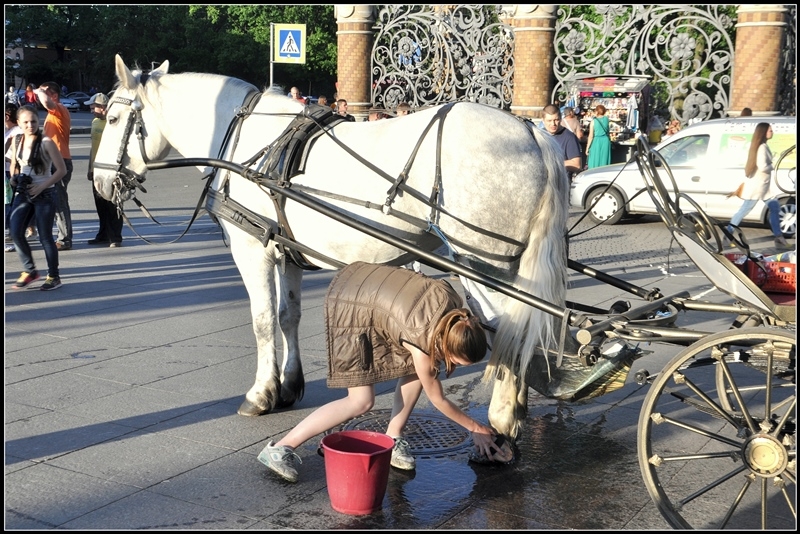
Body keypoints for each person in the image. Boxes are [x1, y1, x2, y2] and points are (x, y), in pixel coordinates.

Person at [257, 261, 501, 483]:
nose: (454, 368)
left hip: (372, 283)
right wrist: (476, 428)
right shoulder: (424, 346)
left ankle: (393, 438)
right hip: (352, 302)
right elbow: (437, 398)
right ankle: (280, 448)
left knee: (416, 371)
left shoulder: (457, 316)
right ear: (447, 344)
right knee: (360, 401)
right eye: (455, 362)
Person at [8, 104, 66, 290]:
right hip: (24, 193)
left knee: (45, 237)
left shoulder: (46, 142)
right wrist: (14, 179)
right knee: (16, 232)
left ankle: (54, 276)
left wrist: (42, 185)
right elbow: (14, 164)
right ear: (18, 123)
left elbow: (61, 170)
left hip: (45, 194)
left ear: (38, 121)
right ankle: (30, 270)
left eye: (33, 121)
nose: (30, 125)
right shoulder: (16, 140)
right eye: (25, 122)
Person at [726, 122, 792, 250]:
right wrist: (772, 165)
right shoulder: (761, 147)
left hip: (763, 187)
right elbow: (763, 166)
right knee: (743, 211)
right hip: (757, 188)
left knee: (775, 208)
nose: (772, 132)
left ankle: (779, 238)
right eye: (770, 130)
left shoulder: (761, 146)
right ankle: (727, 236)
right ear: (763, 132)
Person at [34, 82, 73, 250]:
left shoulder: (59, 109)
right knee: (53, 200)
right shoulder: (52, 115)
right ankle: (57, 235)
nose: (39, 96)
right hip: (53, 161)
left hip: (60, 162)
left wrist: (38, 91)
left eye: (45, 92)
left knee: (59, 201)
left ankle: (64, 239)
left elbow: (47, 102)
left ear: (54, 95)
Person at [86, 93, 123, 247]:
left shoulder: (113, 124)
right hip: (96, 170)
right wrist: (90, 168)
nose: (91, 110)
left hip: (110, 170)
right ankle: (103, 234)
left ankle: (115, 237)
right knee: (100, 205)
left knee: (113, 205)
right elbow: (92, 149)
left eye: (94, 107)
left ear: (103, 107)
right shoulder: (95, 122)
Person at [541, 104, 582, 177]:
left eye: (556, 120)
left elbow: (577, 164)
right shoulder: (540, 136)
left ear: (560, 118)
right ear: (543, 120)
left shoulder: (569, 137)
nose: (553, 124)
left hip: (561, 183)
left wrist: (552, 164)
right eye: (549, 121)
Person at [5, 103, 21, 253]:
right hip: (8, 171)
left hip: (12, 173)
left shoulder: (16, 132)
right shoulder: (9, 131)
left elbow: (13, 156)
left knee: (10, 205)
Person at [585, 104, 612, 169]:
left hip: (596, 141)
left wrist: (587, 147)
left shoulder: (593, 121)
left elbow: (591, 136)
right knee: (604, 159)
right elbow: (608, 131)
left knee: (595, 159)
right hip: (605, 141)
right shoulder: (606, 119)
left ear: (596, 111)